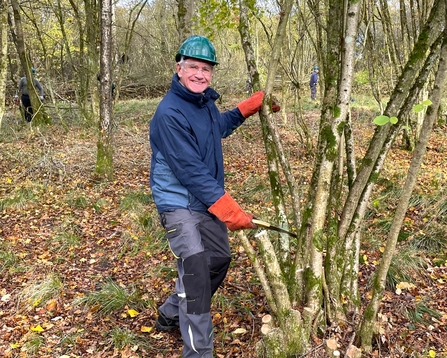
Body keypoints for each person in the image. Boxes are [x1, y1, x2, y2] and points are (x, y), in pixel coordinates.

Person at [149, 35, 280, 358]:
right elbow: (190, 171)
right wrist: (229, 209)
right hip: (179, 203)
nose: (199, 74)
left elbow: (216, 128)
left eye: (206, 69)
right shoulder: (169, 113)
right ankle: (198, 353)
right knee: (195, 274)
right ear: (179, 68)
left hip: (205, 203)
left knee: (219, 259)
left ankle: (171, 310)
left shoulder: (203, 103)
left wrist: (246, 109)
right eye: (193, 67)